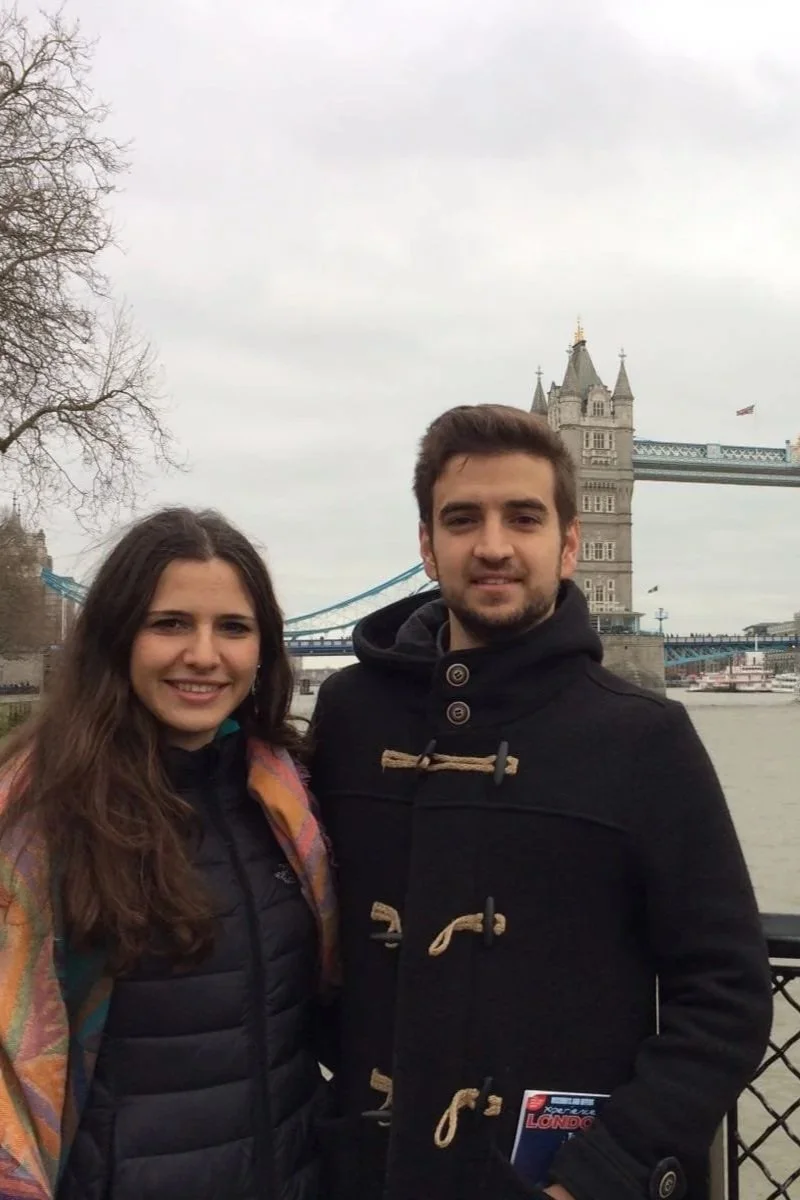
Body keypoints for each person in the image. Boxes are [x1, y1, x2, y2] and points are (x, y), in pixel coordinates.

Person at [309, 405, 773, 1200]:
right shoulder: (351, 714)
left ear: (567, 545)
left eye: (522, 517)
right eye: (463, 519)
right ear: (427, 546)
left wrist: (601, 1176)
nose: (493, 545)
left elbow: (726, 993)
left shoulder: (645, 736)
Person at [0, 508, 337, 1200]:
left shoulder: (289, 801)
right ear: (119, 637)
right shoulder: (42, 822)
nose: (205, 655)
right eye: (171, 624)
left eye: (233, 629)